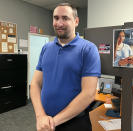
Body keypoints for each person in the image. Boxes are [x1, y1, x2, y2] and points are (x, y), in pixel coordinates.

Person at [30, 3, 101, 131]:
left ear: (76, 21)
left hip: (75, 123)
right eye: (56, 18)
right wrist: (40, 116)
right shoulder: (46, 48)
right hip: (45, 121)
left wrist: (53, 122)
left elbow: (88, 94)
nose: (59, 23)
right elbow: (35, 83)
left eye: (65, 18)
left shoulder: (88, 49)